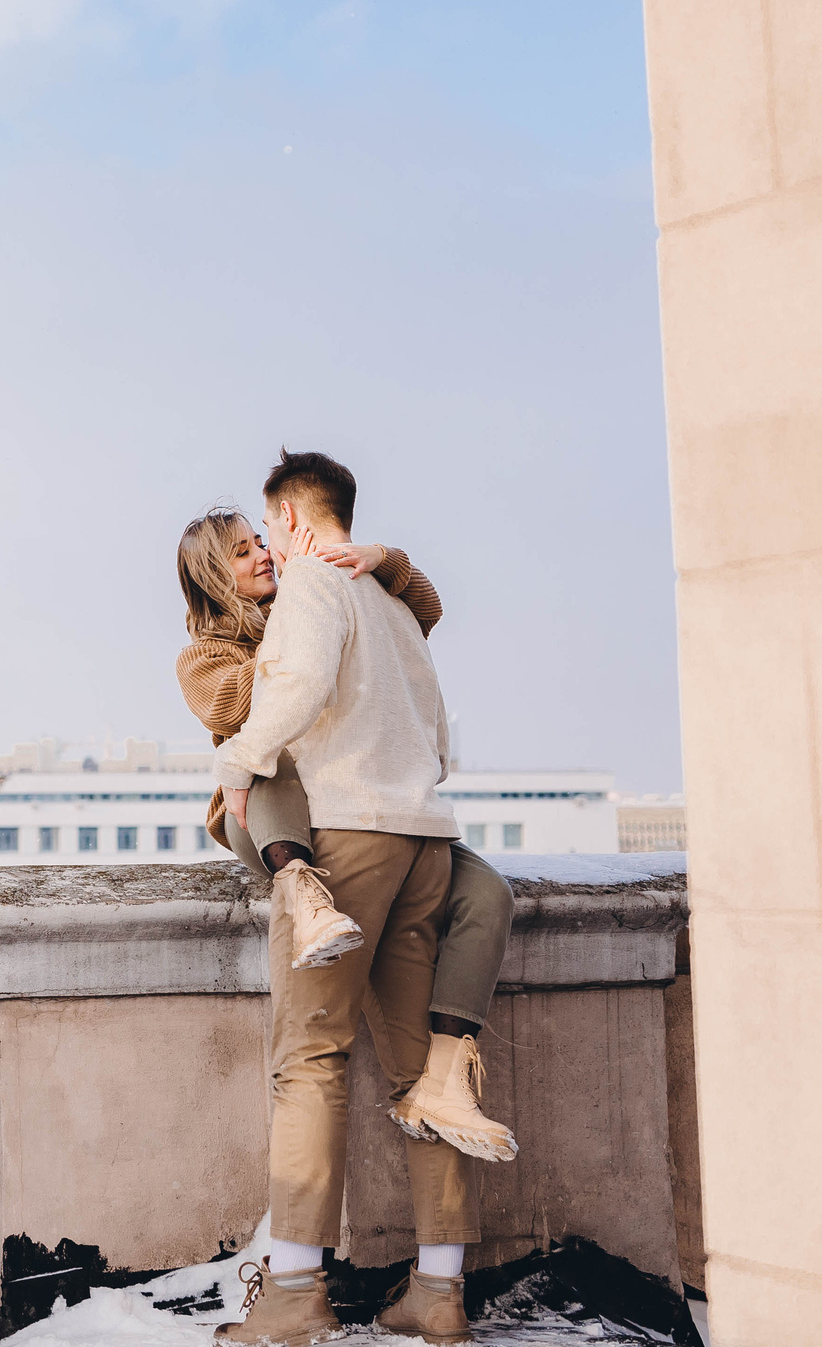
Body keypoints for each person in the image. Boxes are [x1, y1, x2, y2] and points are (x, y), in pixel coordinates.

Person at [207, 451, 480, 1346]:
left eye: (267, 528)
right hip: (426, 842)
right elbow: (440, 734)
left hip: (353, 836)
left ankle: (292, 1292)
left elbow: (297, 683)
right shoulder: (397, 604)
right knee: (421, 1078)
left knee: (310, 1060)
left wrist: (240, 760)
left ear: (290, 519)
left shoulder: (316, 585)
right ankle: (438, 1292)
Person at [175, 505, 518, 1164]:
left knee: (488, 895)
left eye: (260, 543)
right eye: (243, 553)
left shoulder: (313, 598)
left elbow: (425, 609)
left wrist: (380, 557)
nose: (263, 556)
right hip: (268, 816)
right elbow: (237, 707)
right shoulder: (205, 655)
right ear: (215, 576)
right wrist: (307, 616)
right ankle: (303, 895)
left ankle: (446, 1075)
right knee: (267, 754)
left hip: (361, 808)